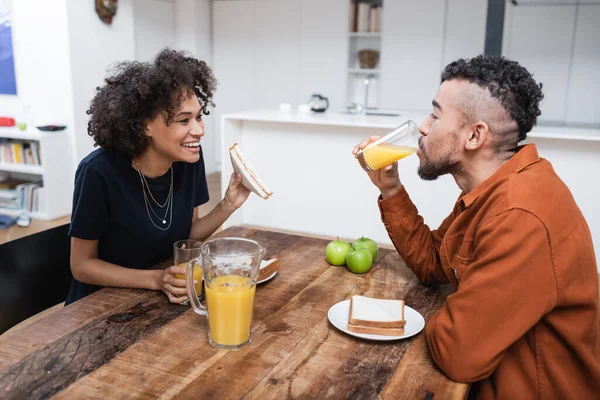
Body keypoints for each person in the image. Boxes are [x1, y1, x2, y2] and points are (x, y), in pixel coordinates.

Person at [353, 55, 600, 399]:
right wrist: (391, 189)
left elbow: (459, 353)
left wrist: (455, 312)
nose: (423, 126)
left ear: (474, 136)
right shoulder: (492, 189)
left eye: (436, 115)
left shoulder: (520, 215)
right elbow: (433, 262)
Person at [65, 48, 250, 305]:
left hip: (158, 300)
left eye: (199, 117)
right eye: (184, 121)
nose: (199, 130)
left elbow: (188, 237)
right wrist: (155, 279)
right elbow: (82, 266)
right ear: (145, 125)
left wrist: (229, 204)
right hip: (99, 306)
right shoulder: (98, 172)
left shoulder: (187, 158)